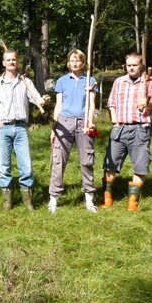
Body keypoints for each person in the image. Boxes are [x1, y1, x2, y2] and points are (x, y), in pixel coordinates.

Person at [0, 49, 50, 211]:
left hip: (20, 128)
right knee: (3, 167)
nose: (11, 62)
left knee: (26, 167)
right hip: (2, 129)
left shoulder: (25, 82)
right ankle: (7, 202)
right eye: (8, 60)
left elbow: (37, 100)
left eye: (14, 59)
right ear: (3, 63)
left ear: (17, 61)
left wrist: (44, 100)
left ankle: (28, 202)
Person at [102, 51, 152, 211]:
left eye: (135, 65)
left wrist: (147, 102)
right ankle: (107, 198)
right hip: (120, 128)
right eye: (129, 65)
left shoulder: (150, 81)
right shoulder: (119, 82)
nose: (131, 68)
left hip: (141, 129)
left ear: (141, 65)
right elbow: (111, 102)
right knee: (110, 163)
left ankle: (132, 202)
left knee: (141, 164)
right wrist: (115, 121)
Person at [48, 49, 99, 213]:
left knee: (87, 161)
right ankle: (53, 200)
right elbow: (58, 106)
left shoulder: (90, 80)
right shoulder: (62, 81)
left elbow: (91, 104)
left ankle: (89, 199)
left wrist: (89, 122)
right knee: (59, 161)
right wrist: (54, 128)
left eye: (78, 60)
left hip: (83, 122)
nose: (75, 63)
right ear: (68, 63)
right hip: (64, 122)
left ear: (83, 63)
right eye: (72, 60)